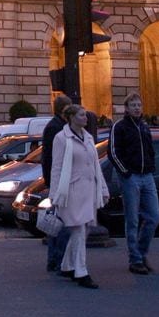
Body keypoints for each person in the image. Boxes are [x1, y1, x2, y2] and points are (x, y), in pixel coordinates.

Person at [50, 104, 110, 289]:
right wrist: (54, 194)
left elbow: (95, 165)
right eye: (82, 115)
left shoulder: (89, 137)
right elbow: (57, 167)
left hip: (88, 189)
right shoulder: (61, 138)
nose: (86, 118)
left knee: (82, 230)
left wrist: (103, 189)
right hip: (71, 191)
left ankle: (68, 265)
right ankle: (81, 271)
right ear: (72, 117)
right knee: (79, 230)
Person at [107, 92, 159, 275]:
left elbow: (150, 149)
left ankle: (141, 252)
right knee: (132, 220)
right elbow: (113, 152)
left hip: (147, 176)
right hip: (131, 178)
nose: (137, 108)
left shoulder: (144, 127)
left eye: (139, 105)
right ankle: (135, 259)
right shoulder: (119, 127)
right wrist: (126, 173)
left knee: (154, 217)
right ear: (127, 108)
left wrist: (151, 167)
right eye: (133, 105)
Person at [41, 94, 72, 272]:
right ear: (63, 110)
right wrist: (50, 181)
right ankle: (57, 259)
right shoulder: (56, 128)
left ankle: (53, 260)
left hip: (56, 181)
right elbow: (50, 158)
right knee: (61, 224)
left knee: (56, 223)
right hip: (58, 182)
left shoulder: (56, 125)